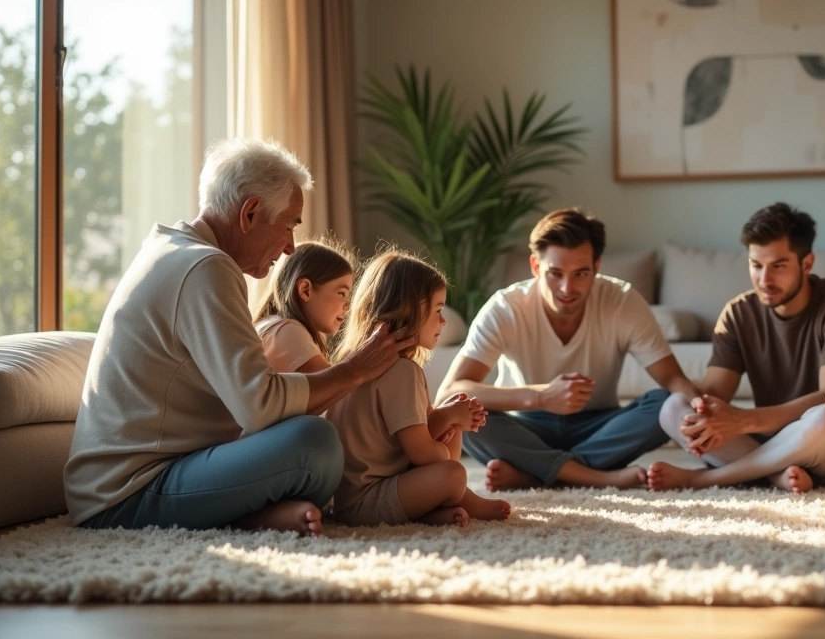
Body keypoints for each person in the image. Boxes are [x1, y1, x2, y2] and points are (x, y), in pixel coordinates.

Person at [64, 138, 412, 537]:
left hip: (133, 482)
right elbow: (259, 406)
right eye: (288, 226)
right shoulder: (204, 266)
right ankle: (247, 515)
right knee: (315, 443)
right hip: (124, 497)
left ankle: (248, 516)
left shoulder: (171, 248)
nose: (290, 247)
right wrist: (356, 370)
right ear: (249, 213)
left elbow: (247, 401)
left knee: (302, 436)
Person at [438, 208, 699, 491]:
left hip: (599, 427)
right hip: (527, 426)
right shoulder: (506, 307)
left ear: (596, 267)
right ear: (535, 266)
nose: (567, 288)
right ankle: (595, 477)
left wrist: (702, 407)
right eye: (555, 273)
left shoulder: (623, 301)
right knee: (464, 418)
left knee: (665, 403)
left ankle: (533, 476)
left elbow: (673, 380)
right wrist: (541, 397)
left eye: (580, 273)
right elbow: (450, 393)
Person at [647, 203, 825, 492]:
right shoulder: (738, 313)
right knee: (673, 407)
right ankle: (776, 475)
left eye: (778, 266)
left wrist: (743, 421)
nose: (764, 280)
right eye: (756, 265)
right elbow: (715, 393)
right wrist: (701, 408)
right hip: (772, 440)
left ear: (807, 264)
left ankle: (704, 479)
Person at [325, 249, 510, 526]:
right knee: (453, 474)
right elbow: (421, 454)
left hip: (352, 498)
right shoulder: (401, 371)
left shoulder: (356, 362)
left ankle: (431, 512)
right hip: (366, 502)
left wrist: (447, 419)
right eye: (438, 310)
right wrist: (445, 436)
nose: (443, 321)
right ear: (410, 311)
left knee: (450, 430)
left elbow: (397, 445)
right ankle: (465, 499)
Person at [254, 240, 356, 374]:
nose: (348, 306)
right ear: (305, 290)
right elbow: (338, 385)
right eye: (342, 293)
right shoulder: (288, 332)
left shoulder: (273, 326)